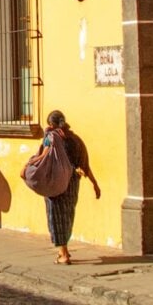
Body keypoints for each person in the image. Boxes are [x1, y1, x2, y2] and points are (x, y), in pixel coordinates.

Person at [39, 110, 100, 264]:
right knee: (67, 214)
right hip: (73, 182)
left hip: (55, 182)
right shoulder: (76, 140)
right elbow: (85, 164)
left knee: (55, 216)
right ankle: (64, 250)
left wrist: (30, 165)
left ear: (51, 124)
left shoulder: (51, 139)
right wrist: (94, 183)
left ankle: (63, 253)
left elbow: (43, 157)